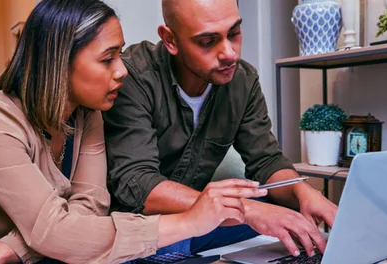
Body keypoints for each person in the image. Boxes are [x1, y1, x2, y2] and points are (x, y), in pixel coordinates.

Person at [0, 1, 267, 263]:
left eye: (120, 55)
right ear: (59, 62)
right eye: (108, 59)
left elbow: (89, 212)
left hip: (37, 255)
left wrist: (11, 247)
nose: (122, 70)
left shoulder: (88, 116)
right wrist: (189, 220)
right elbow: (57, 233)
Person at [103, 0, 339, 258]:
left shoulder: (243, 81)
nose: (230, 53)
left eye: (235, 33)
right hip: (143, 225)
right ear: (170, 39)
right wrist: (244, 211)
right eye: (207, 41)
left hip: (206, 221)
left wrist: (301, 191)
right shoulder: (133, 76)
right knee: (174, 243)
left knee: (291, 218)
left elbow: (266, 161)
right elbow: (138, 183)